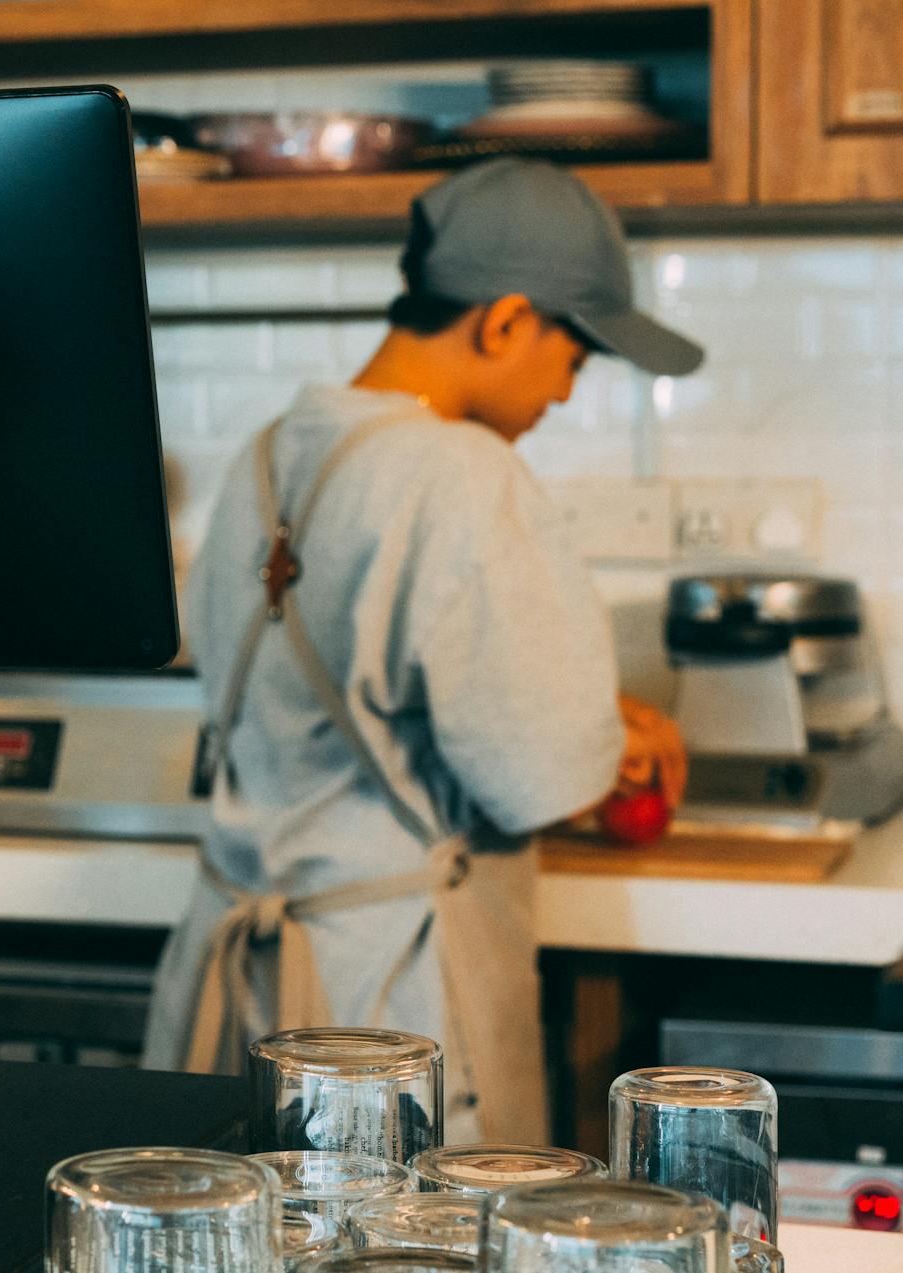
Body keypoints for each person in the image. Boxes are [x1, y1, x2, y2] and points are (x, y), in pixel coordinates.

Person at [142, 158, 693, 1145]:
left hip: (231, 986)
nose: (564, 394)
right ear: (506, 321)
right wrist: (620, 742)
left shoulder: (265, 452)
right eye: (574, 357)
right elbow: (545, 778)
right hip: (386, 1016)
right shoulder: (462, 470)